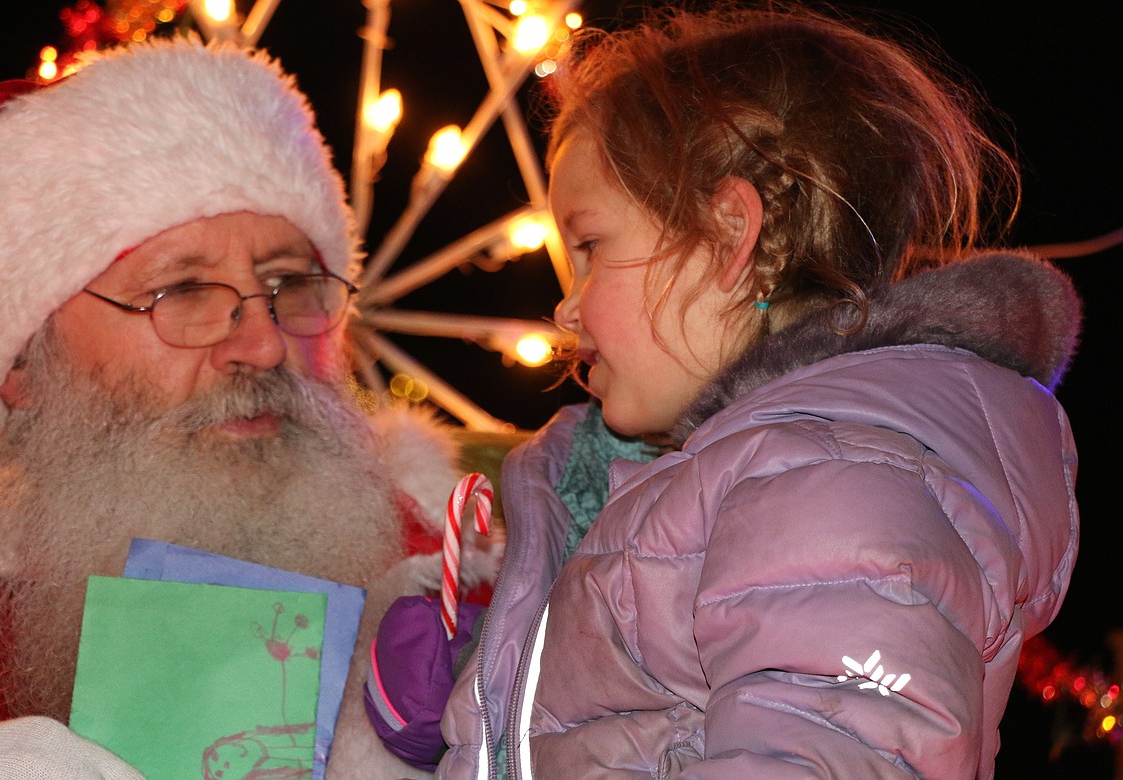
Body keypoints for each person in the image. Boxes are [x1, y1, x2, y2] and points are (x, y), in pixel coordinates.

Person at [438, 5, 1081, 778]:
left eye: (590, 247)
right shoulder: (737, 476)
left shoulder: (832, 484)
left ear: (729, 236)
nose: (566, 306)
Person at [0, 36, 501, 778]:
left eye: (289, 285)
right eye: (180, 292)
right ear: (25, 362)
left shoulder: (464, 591)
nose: (265, 346)